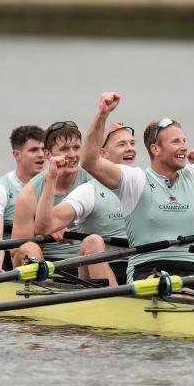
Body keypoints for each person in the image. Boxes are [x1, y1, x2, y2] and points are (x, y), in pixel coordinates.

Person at [81, 92, 194, 283]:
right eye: (175, 142)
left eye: (184, 141)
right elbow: (89, 161)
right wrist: (102, 114)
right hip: (148, 271)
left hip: (193, 272)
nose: (184, 147)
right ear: (155, 149)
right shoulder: (135, 180)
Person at [34, 122, 136, 285]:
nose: (130, 148)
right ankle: (113, 302)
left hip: (141, 266)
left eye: (132, 143)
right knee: (93, 241)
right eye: (122, 144)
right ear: (103, 154)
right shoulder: (89, 190)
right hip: (104, 267)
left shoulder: (146, 182)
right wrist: (52, 178)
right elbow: (43, 227)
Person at [10, 120, 89, 267]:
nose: (72, 155)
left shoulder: (92, 180)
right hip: (46, 263)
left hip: (85, 261)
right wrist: (45, 234)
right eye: (65, 149)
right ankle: (45, 283)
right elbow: (16, 253)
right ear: (47, 154)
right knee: (29, 247)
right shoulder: (29, 194)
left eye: (76, 147)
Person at [0, 125, 46, 272]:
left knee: (32, 247)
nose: (41, 154)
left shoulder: (52, 185)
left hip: (39, 253)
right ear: (17, 155)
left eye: (43, 149)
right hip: (6, 256)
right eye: (34, 150)